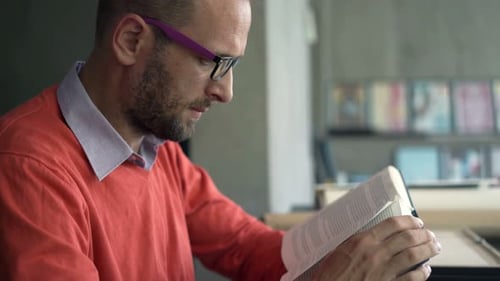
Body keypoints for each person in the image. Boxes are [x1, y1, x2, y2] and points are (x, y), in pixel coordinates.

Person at [0, 0, 441, 280]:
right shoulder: (27, 169)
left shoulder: (157, 148)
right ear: (132, 40)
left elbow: (246, 247)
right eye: (214, 62)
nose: (225, 91)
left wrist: (359, 255)